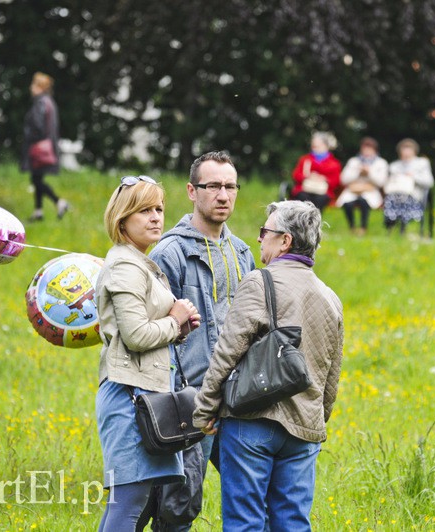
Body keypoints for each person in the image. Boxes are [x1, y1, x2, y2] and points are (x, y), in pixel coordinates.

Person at [193, 200, 344, 531]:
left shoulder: (259, 281)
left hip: (251, 421)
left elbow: (227, 352)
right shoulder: (330, 297)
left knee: (245, 523)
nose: (260, 239)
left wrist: (204, 409)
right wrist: (316, 421)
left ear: (285, 240)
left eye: (266, 232)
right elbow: (332, 375)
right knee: (292, 523)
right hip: (304, 430)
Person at [141, 151, 256, 530]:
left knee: (251, 493)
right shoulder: (169, 253)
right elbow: (154, 331)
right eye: (213, 186)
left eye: (230, 186)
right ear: (192, 191)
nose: (223, 195)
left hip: (238, 397)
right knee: (179, 504)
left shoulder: (241, 253)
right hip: (190, 400)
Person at [95, 174, 202, 531]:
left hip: (144, 393)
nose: (156, 217)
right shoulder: (125, 266)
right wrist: (175, 320)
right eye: (144, 210)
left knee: (132, 501)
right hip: (128, 396)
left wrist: (180, 327)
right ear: (122, 218)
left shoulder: (141, 263)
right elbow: (137, 335)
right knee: (128, 503)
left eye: (158, 208)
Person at [21, 72, 68, 222]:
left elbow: (37, 126)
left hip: (39, 148)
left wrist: (29, 137)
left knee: (36, 180)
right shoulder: (49, 102)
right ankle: (38, 212)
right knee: (37, 178)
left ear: (40, 87)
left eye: (34, 84)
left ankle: (59, 202)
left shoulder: (41, 102)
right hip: (48, 146)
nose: (31, 87)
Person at [336, 136, 388, 235]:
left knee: (364, 202)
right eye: (365, 148)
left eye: (369, 149)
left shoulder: (381, 163)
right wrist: (357, 172)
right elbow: (343, 179)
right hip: (352, 191)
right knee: (348, 204)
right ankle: (352, 227)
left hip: (370, 192)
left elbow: (381, 182)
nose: (367, 151)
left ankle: (363, 227)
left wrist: (369, 173)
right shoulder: (353, 161)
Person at [383, 138, 434, 234]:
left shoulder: (422, 163)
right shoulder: (394, 166)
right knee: (390, 199)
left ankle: (403, 226)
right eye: (404, 150)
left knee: (405, 199)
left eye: (409, 149)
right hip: (396, 193)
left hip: (415, 195)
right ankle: (390, 223)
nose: (406, 152)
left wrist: (413, 177)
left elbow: (429, 182)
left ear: (414, 151)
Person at [290, 131, 342, 212]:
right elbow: (295, 175)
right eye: (313, 146)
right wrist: (307, 177)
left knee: (320, 200)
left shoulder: (334, 163)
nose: (315, 148)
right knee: (302, 198)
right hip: (304, 189)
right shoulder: (305, 159)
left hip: (323, 192)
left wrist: (325, 179)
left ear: (326, 146)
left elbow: (336, 182)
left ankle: (313, 222)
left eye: (318, 146)